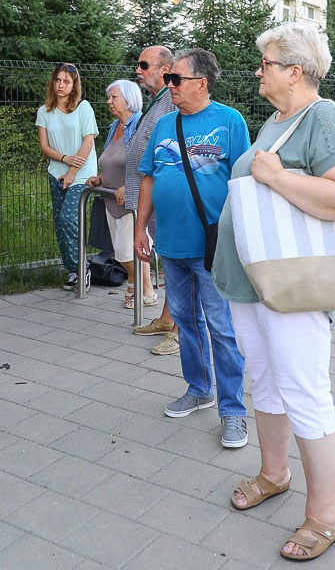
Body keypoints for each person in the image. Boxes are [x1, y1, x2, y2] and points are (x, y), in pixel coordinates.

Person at [213, 22, 335, 561]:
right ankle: (274, 473)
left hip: (292, 285)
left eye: (267, 63)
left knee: (304, 390)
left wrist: (276, 178)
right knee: (265, 381)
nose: (259, 71)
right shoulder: (277, 121)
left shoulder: (323, 117)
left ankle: (326, 512)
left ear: (294, 72)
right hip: (251, 283)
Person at [135, 48, 250, 448]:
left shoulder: (229, 121)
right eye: (168, 79)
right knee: (185, 322)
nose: (170, 86)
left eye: (176, 79)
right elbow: (148, 179)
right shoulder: (166, 123)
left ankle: (233, 411)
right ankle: (199, 388)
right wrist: (139, 231)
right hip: (170, 243)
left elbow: (243, 182)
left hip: (213, 246)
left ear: (201, 83)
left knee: (221, 327)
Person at [124, 46, 181, 355]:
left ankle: (178, 330)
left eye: (144, 64)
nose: (138, 70)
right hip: (154, 198)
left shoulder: (172, 102)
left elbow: (171, 154)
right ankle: (166, 319)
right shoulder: (158, 101)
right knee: (170, 264)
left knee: (176, 264)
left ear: (165, 68)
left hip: (165, 198)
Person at [86, 79, 157, 309]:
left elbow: (148, 162)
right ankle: (142, 288)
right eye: (109, 97)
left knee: (127, 252)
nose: (109, 102)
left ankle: (140, 286)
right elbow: (111, 160)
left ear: (129, 100)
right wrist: (100, 177)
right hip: (111, 198)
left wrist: (131, 185)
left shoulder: (140, 127)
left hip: (134, 199)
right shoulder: (114, 127)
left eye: (114, 97)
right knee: (123, 251)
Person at [36, 63, 99, 291]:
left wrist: (72, 172)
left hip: (82, 174)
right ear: (53, 82)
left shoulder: (83, 108)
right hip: (56, 172)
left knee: (68, 219)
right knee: (59, 224)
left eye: (67, 82)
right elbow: (44, 147)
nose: (61, 85)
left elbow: (88, 141)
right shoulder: (44, 111)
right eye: (58, 80)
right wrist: (65, 160)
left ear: (74, 86)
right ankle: (74, 270)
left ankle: (82, 267)